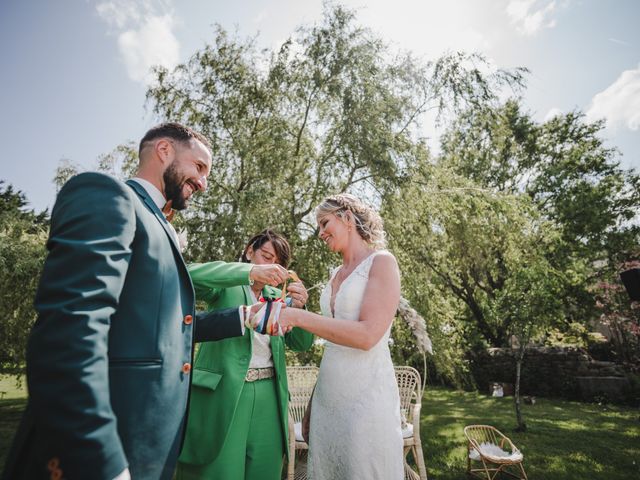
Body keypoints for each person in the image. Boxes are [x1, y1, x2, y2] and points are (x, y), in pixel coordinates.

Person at [1, 123, 278, 480]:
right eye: (199, 167)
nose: (203, 182)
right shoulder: (108, 196)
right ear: (164, 150)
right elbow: (70, 334)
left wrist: (243, 316)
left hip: (149, 450)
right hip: (100, 449)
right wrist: (103, 459)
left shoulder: (158, 222)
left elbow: (170, 330)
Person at [279, 193, 404, 480]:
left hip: (365, 397)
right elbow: (333, 343)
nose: (320, 233)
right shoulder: (336, 273)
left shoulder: (381, 262)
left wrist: (299, 317)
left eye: (325, 223)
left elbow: (367, 335)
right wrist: (313, 401)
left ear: (347, 217)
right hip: (328, 398)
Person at [176, 229, 314, 480]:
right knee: (218, 472)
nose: (272, 266)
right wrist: (249, 272)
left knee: (264, 471)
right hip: (225, 394)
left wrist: (301, 307)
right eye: (266, 256)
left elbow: (302, 343)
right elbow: (188, 275)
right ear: (250, 251)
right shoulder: (227, 285)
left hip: (269, 397)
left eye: (279, 263)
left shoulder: (278, 297)